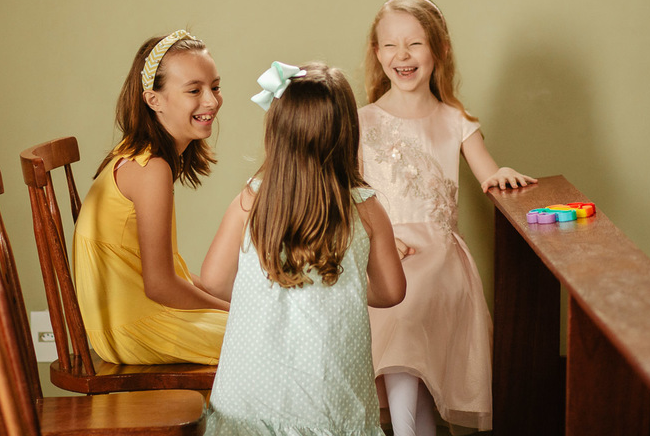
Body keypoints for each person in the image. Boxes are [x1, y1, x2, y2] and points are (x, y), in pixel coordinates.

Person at [360, 0, 537, 435]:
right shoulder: (361, 121)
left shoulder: (455, 119)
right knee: (401, 321)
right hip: (384, 256)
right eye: (390, 45)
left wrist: (502, 173)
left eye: (415, 44)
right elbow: (349, 194)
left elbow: (487, 173)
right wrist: (379, 239)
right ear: (376, 52)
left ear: (438, 50)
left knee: (409, 311)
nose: (402, 56)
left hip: (439, 262)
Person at [200, 61, 406, 436]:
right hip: (330, 401)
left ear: (277, 131)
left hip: (248, 401)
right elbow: (392, 291)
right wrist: (351, 285)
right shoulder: (366, 208)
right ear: (347, 133)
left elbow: (212, 281)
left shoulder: (250, 201)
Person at [72, 30, 229, 365]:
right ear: (153, 99)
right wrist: (236, 312)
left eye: (214, 87)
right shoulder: (151, 169)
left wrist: (229, 300)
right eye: (194, 90)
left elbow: (170, 272)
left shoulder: (138, 154)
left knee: (265, 326)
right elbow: (160, 286)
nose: (211, 101)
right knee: (275, 341)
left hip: (128, 322)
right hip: (137, 328)